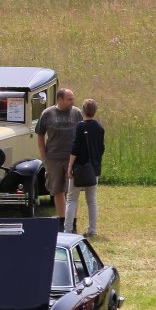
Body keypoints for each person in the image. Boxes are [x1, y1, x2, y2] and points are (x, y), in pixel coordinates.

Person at [35, 88, 83, 223]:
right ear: (60, 99)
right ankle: (62, 221)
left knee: (72, 191)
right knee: (57, 190)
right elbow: (40, 134)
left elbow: (82, 134)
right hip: (53, 159)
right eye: (69, 99)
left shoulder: (77, 113)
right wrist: (44, 155)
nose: (72, 102)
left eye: (73, 99)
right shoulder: (47, 113)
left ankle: (72, 222)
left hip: (72, 159)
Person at [65, 99, 106, 235]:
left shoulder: (80, 126)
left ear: (83, 110)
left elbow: (75, 148)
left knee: (72, 199)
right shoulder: (100, 128)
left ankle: (68, 230)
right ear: (95, 111)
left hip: (79, 168)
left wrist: (70, 167)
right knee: (92, 200)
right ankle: (92, 230)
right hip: (93, 168)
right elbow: (101, 149)